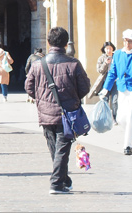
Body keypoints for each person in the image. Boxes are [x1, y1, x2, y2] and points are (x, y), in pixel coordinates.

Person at [25, 27, 90, 195]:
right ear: (66, 43)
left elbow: (29, 87)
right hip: (67, 114)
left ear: (48, 42)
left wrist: (42, 99)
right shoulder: (73, 63)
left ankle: (64, 180)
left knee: (56, 150)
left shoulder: (38, 64)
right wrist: (72, 97)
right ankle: (56, 184)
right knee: (61, 150)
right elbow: (84, 88)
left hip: (45, 113)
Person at [88, 42, 117, 122]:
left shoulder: (116, 57)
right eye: (107, 48)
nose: (109, 50)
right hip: (105, 82)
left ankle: (114, 118)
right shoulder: (101, 58)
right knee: (105, 100)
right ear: (104, 49)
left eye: (110, 48)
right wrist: (105, 63)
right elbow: (100, 70)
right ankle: (105, 117)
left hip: (115, 81)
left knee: (115, 100)